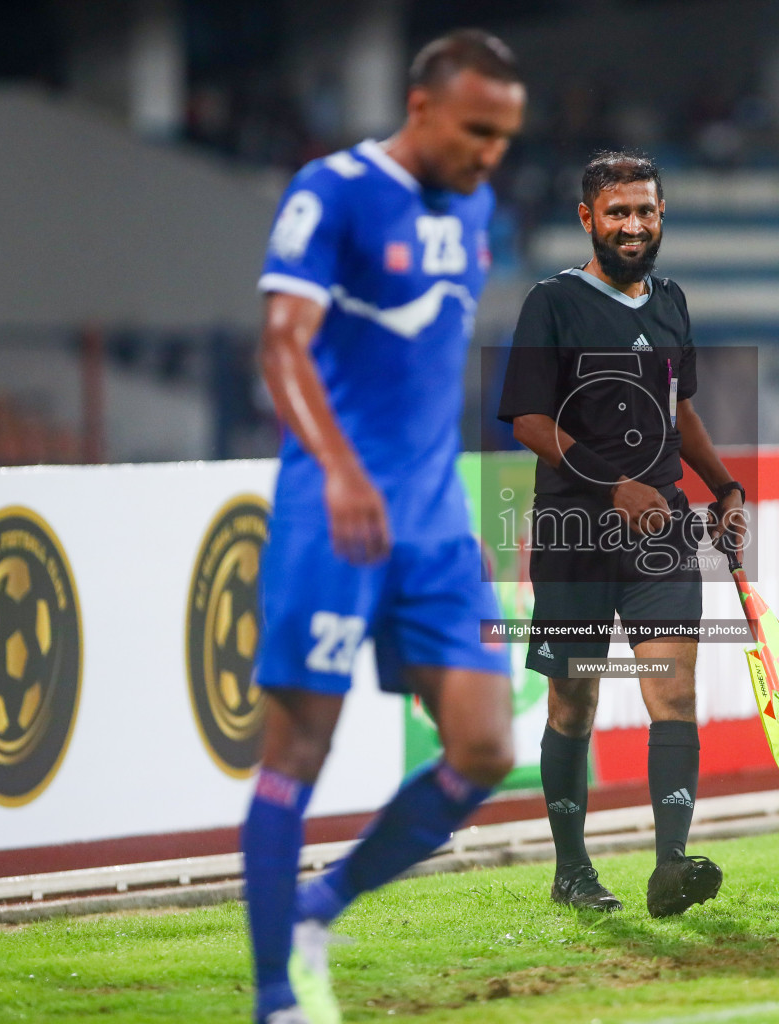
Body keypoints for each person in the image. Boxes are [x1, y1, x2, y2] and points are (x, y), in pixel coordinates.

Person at [243, 30, 525, 1024]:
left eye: (505, 135)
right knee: (295, 754)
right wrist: (343, 472)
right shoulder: (333, 190)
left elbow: (428, 366)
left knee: (487, 747)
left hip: (434, 521)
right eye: (477, 129)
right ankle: (276, 996)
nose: (491, 152)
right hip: (335, 512)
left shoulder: (475, 202)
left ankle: (323, 904)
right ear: (422, 108)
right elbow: (282, 347)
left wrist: (445, 504)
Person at [497, 151, 746, 918]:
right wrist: (613, 483)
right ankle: (572, 871)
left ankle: (672, 864)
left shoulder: (671, 302)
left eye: (645, 211)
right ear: (588, 220)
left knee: (674, 690)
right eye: (617, 213)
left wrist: (724, 485)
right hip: (575, 530)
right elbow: (528, 420)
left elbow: (679, 410)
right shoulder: (552, 303)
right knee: (574, 702)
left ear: (661, 216)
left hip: (661, 531)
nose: (633, 226)